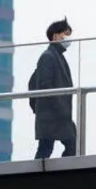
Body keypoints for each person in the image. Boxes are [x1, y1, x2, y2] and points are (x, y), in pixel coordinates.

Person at [32, 17, 77, 159]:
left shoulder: (57, 56)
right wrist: (58, 106)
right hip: (52, 114)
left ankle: (58, 170)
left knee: (52, 147)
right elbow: (43, 84)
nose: (68, 38)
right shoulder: (48, 56)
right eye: (66, 34)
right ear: (55, 36)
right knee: (48, 148)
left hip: (57, 114)